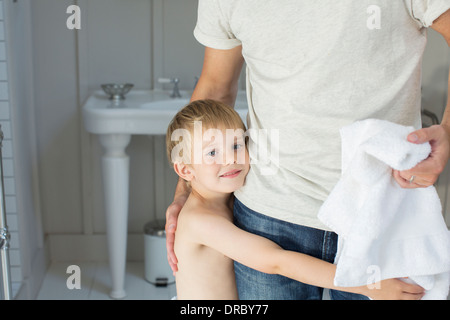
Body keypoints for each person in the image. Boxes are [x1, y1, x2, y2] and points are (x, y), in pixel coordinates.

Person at [166, 1, 450, 300]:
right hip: (268, 210)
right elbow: (215, 91)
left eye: (236, 145)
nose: (229, 156)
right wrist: (187, 186)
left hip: (379, 206)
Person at [166, 99, 425, 300]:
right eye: (212, 152)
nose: (230, 159)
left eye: (236, 145)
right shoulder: (200, 221)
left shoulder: (225, 200)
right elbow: (276, 261)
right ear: (185, 170)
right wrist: (369, 286)